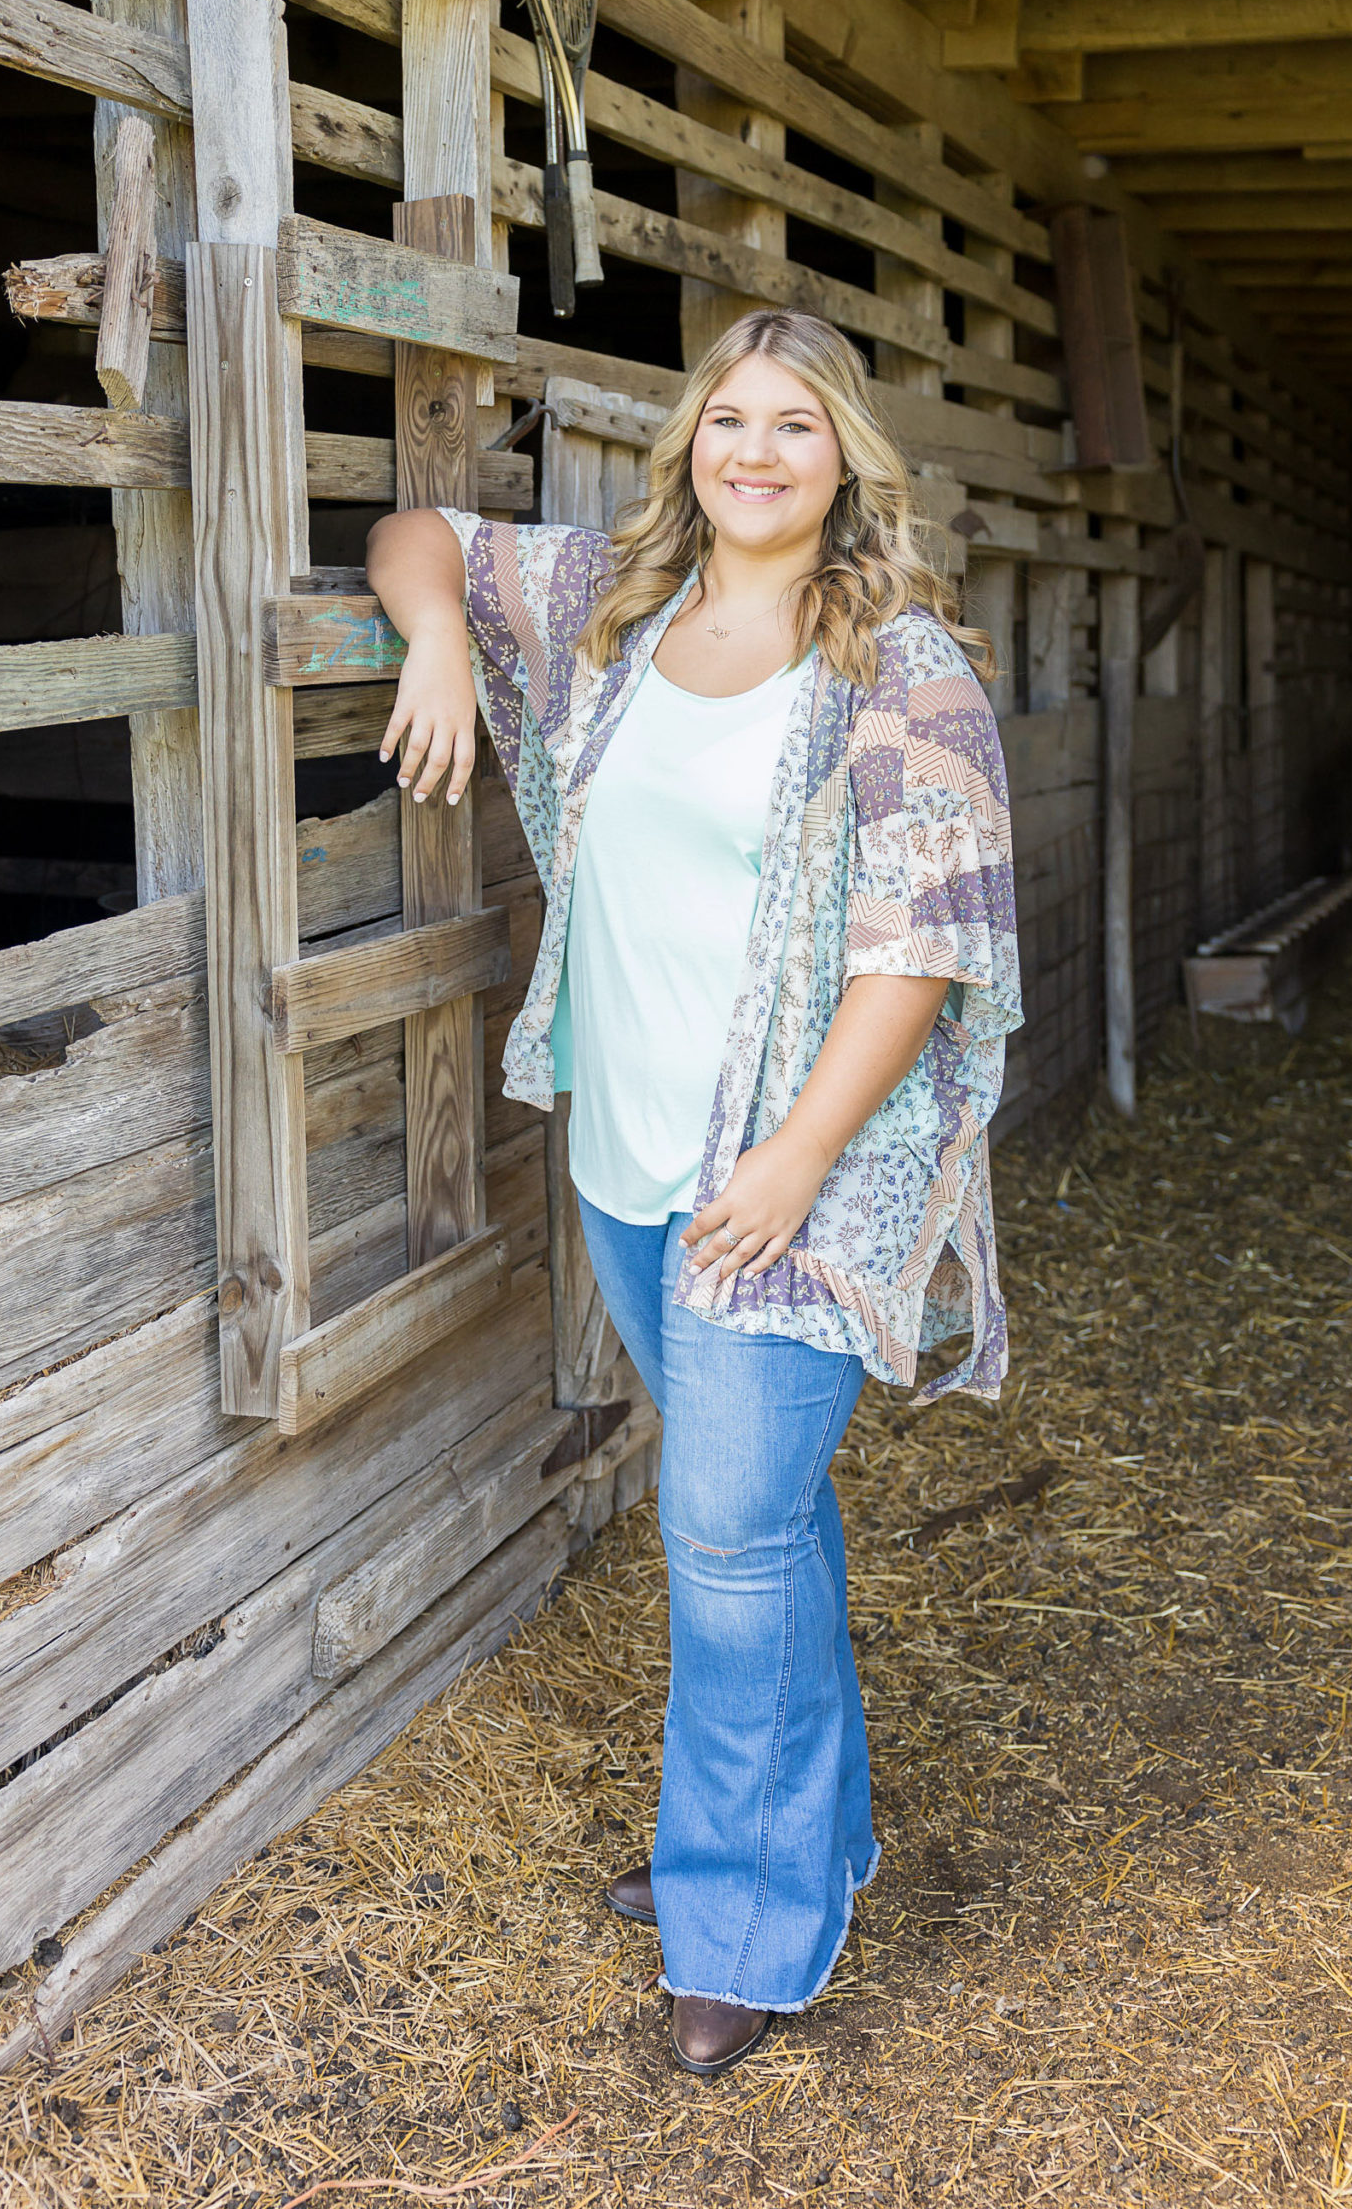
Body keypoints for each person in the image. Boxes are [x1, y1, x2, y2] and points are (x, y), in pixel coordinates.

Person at [366, 308, 1021, 2077]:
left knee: (725, 1534)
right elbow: (418, 534)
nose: (754, 451)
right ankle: (814, 1838)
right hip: (629, 1160)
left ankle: (738, 1915)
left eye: (794, 426)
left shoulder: (899, 665)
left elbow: (928, 934)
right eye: (726, 420)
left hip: (802, 1176)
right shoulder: (614, 611)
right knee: (763, 1519)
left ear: (845, 461)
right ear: (689, 451)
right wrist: (434, 635)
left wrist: (796, 1158)